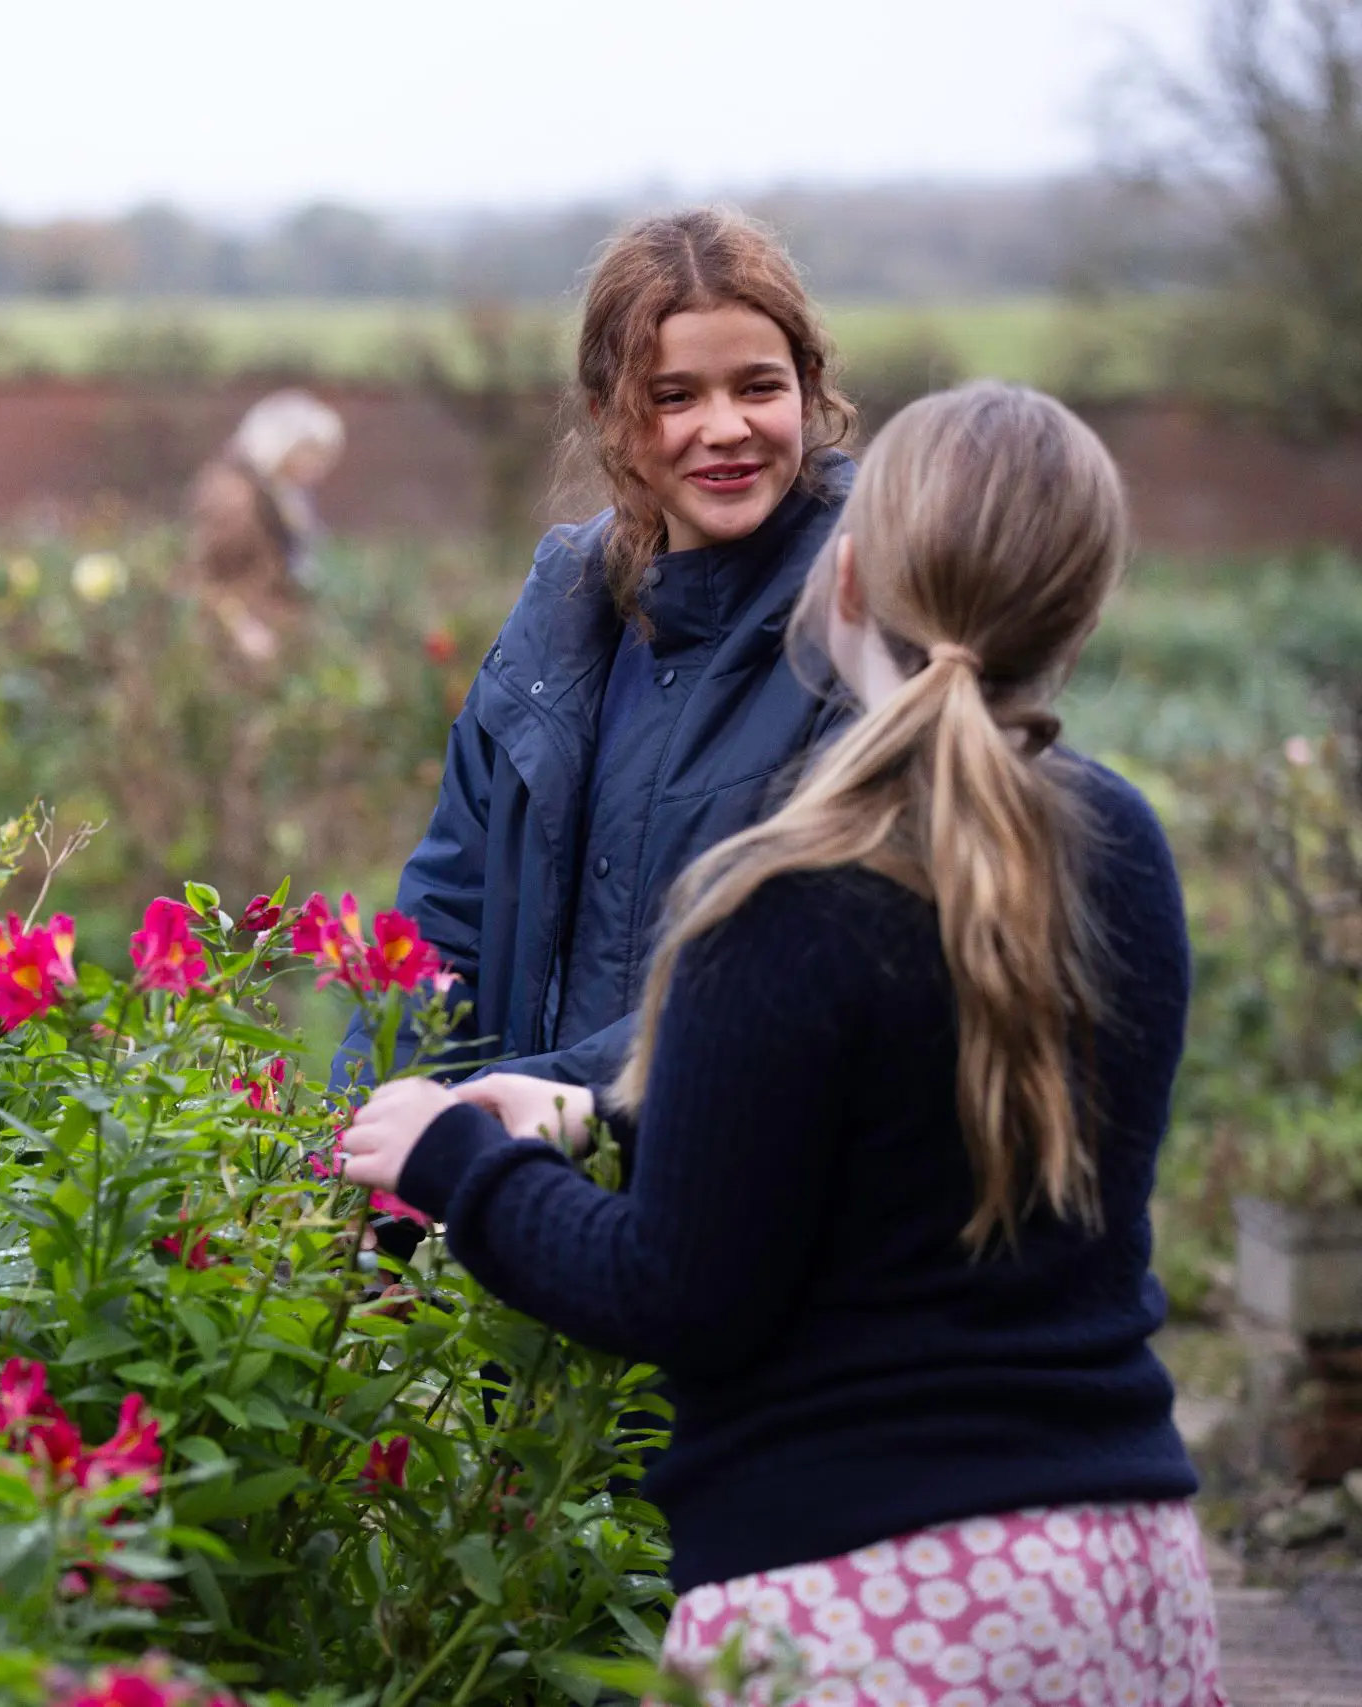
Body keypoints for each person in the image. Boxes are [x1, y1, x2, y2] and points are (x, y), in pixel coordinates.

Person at [340, 381, 1217, 1705]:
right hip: (1121, 1564)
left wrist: (459, 1160)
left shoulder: (780, 900)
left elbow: (679, 1292)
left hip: (858, 1598)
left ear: (847, 577)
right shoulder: (1117, 845)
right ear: (1084, 603)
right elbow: (899, 1127)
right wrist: (601, 1116)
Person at [334, 208, 856, 1103]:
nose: (724, 427)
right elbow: (445, 919)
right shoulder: (558, 621)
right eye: (674, 396)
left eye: (758, 387)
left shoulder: (869, 617)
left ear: (808, 388)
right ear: (606, 413)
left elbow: (821, 965)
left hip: (733, 1195)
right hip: (524, 1197)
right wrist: (376, 1139)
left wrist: (538, 1105)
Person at [186, 388, 345, 663]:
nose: (319, 468)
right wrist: (241, 629)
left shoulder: (283, 493)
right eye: (312, 454)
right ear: (282, 446)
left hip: (274, 631)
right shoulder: (233, 498)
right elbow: (211, 577)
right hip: (243, 644)